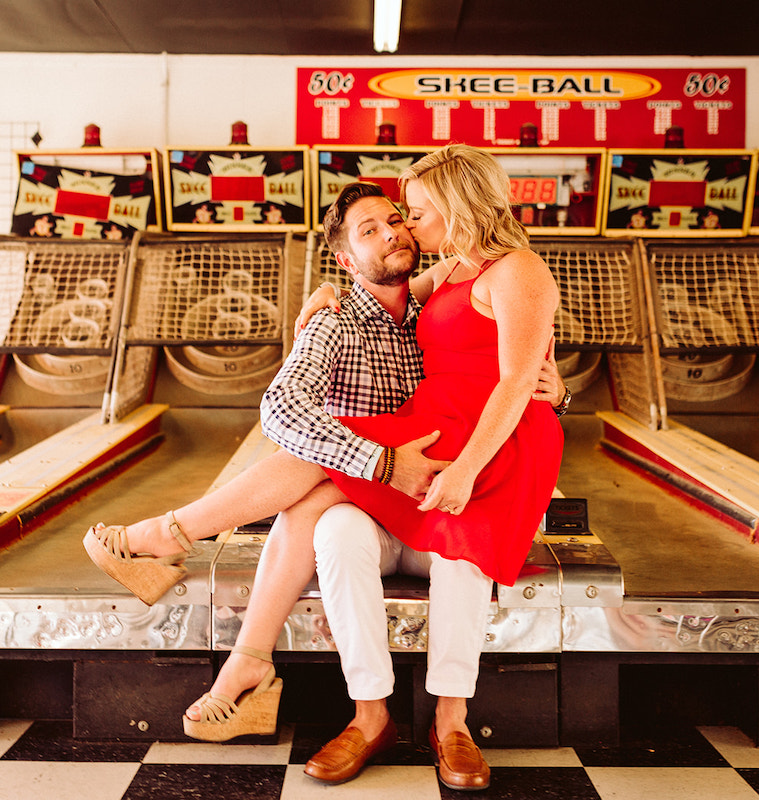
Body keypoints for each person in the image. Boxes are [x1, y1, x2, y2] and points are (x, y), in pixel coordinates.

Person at [83, 153, 565, 783]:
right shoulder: (440, 274)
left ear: (458, 202)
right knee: (317, 500)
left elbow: (518, 378)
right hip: (434, 435)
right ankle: (363, 711)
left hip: (482, 449)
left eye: (411, 213)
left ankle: (450, 720)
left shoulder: (509, 269)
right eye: (388, 222)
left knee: (389, 511)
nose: (405, 227)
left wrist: (486, 452)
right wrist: (328, 295)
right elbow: (356, 318)